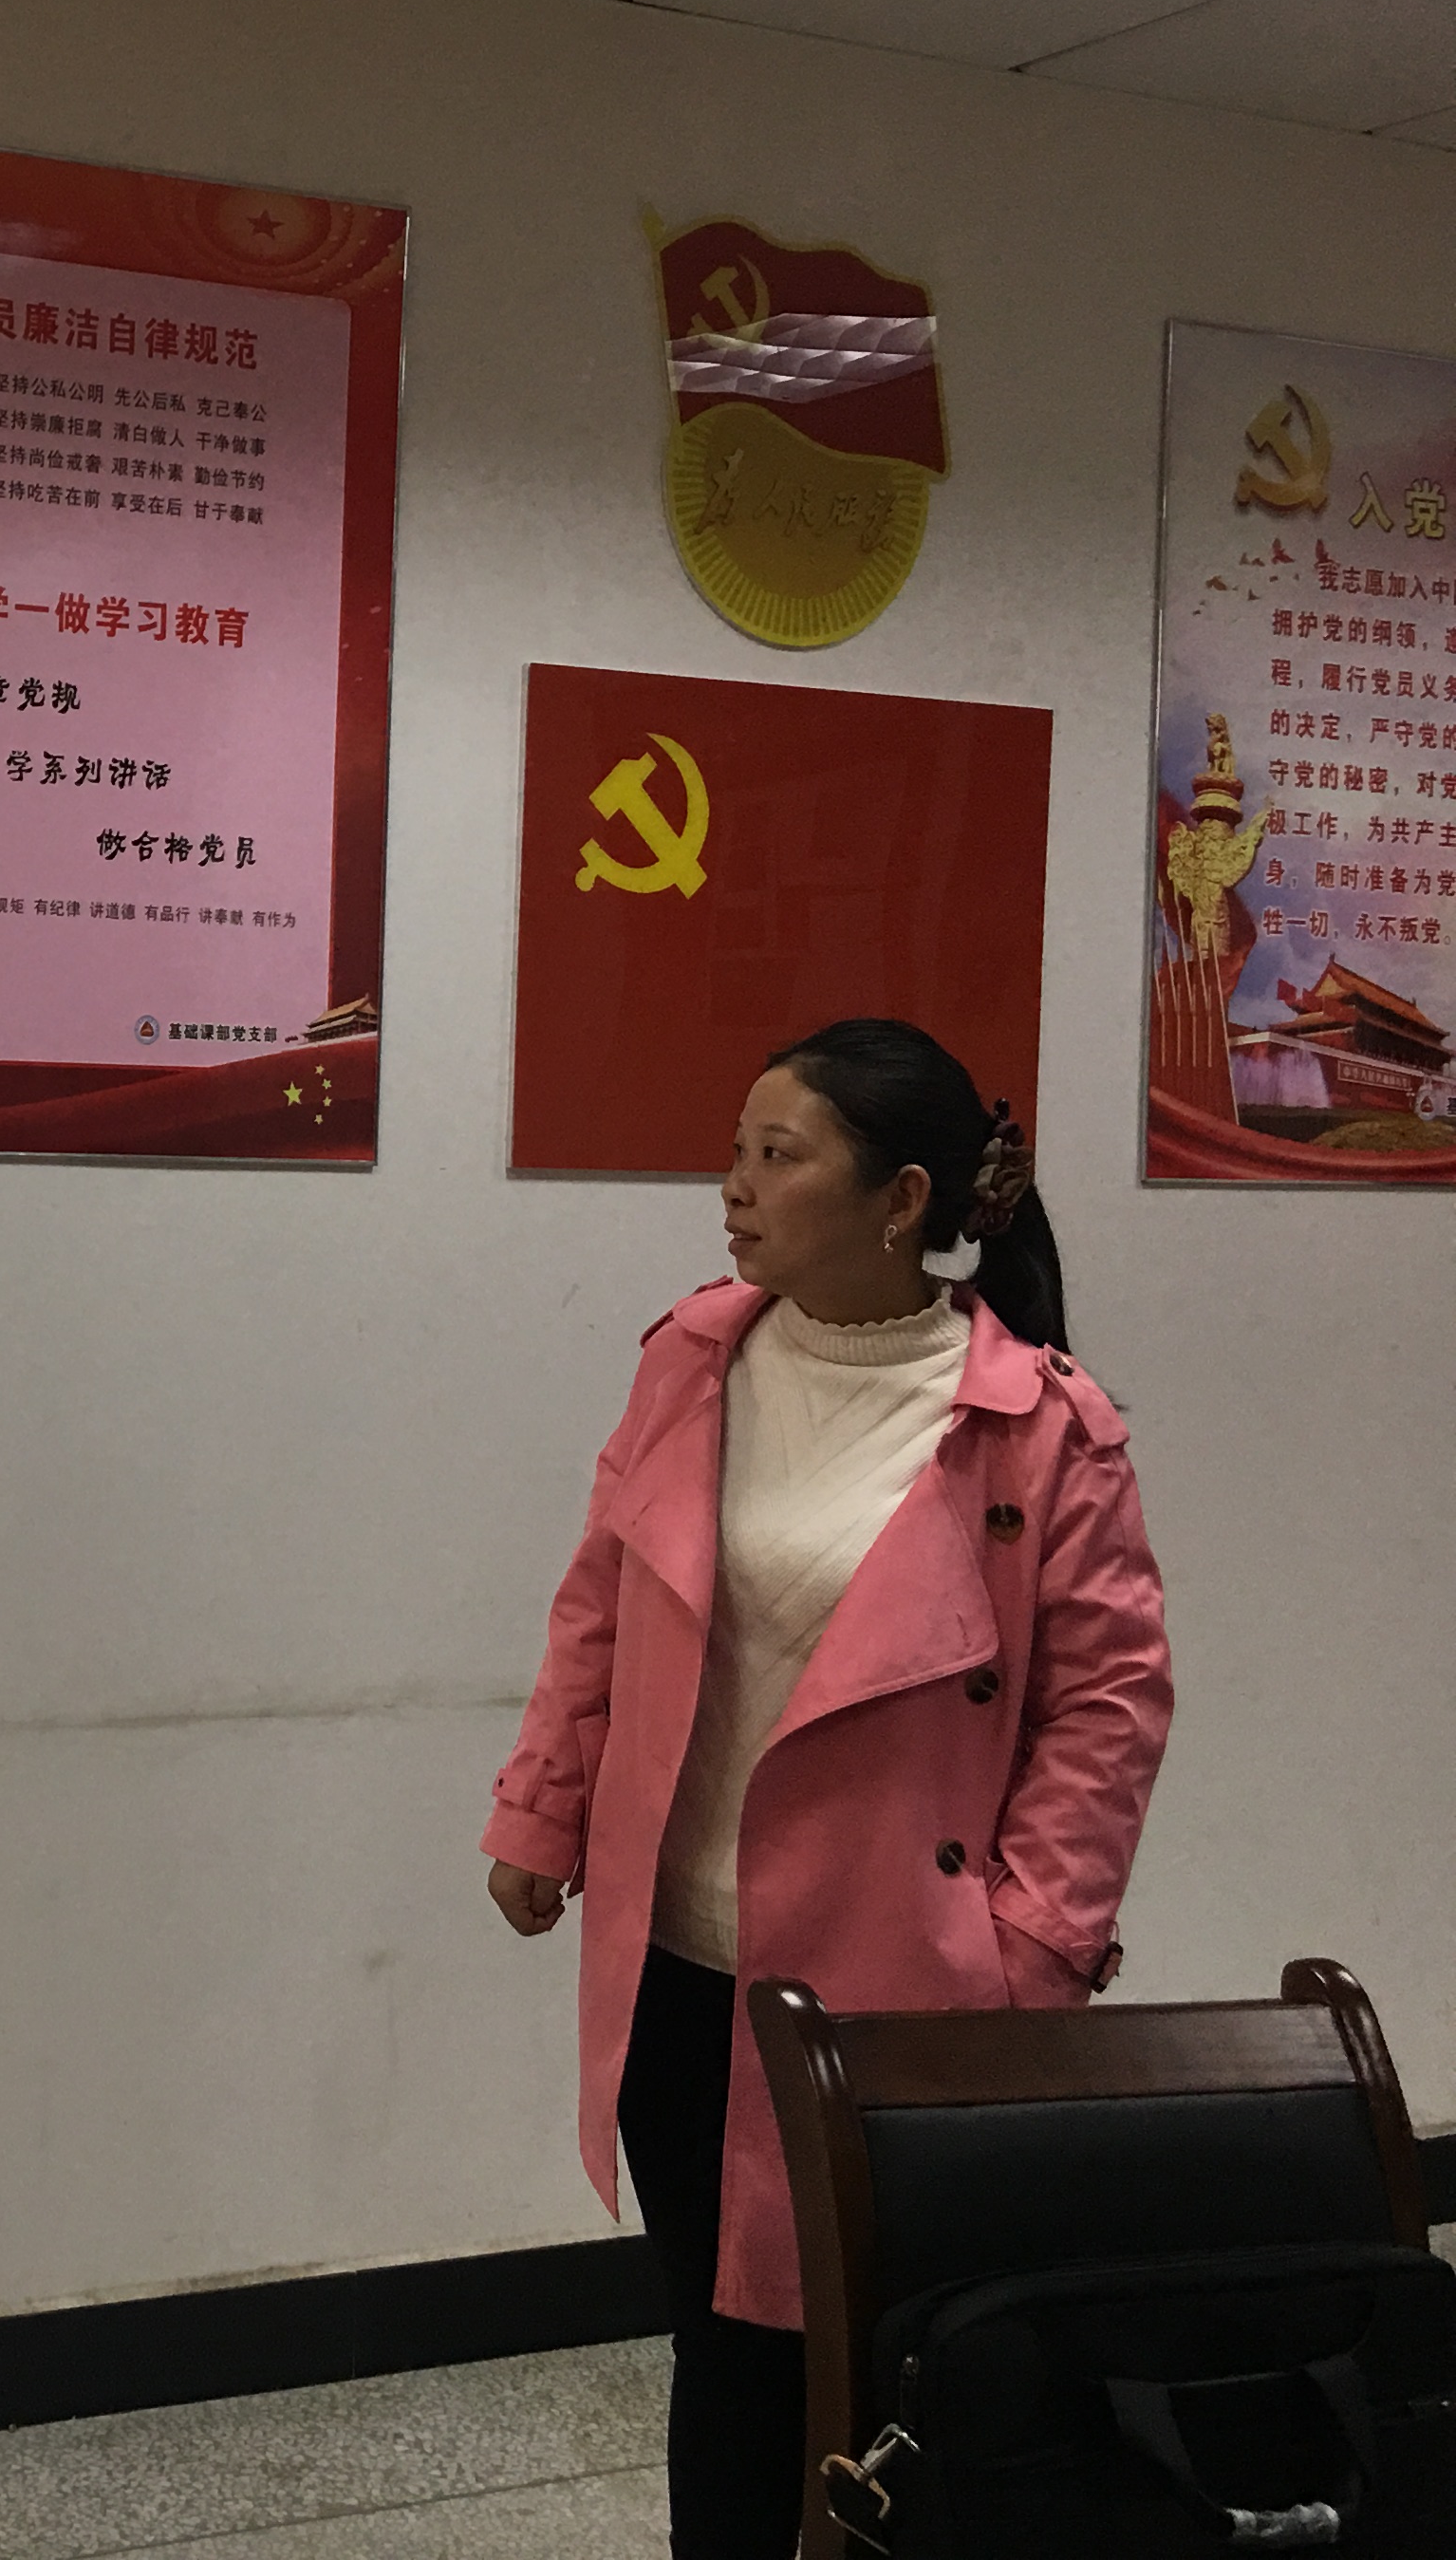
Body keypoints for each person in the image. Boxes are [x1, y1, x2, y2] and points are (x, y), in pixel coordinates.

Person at [482, 1019, 1172, 2558]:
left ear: (900, 1197)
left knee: (880, 2361)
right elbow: (602, 1597)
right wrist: (542, 1806)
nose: (732, 1186)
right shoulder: (696, 1355)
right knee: (721, 2349)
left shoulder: (1037, 1425)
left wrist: (1026, 1948)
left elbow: (1108, 1704)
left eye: (776, 1154)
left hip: (897, 1984)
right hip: (684, 1965)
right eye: (735, 1150)